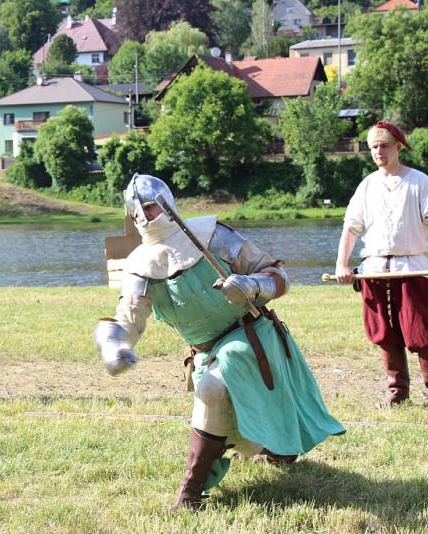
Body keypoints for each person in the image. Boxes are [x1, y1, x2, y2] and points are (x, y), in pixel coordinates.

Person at [95, 174, 344, 509]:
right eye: (136, 212)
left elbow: (279, 276)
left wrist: (251, 285)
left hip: (253, 336)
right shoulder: (139, 265)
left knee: (212, 389)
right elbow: (130, 316)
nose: (143, 217)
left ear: (167, 204)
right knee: (229, 417)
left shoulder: (213, 236)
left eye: (150, 207)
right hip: (206, 352)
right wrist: (115, 342)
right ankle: (271, 448)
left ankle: (190, 492)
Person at [335, 120, 428, 407]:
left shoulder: (419, 181)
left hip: (411, 268)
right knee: (384, 333)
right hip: (374, 271)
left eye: (384, 145)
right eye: (374, 147)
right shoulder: (367, 185)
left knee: (423, 332)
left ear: (398, 146)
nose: (378, 151)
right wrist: (342, 264)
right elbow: (351, 229)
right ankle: (398, 394)